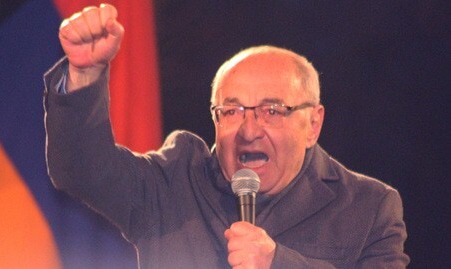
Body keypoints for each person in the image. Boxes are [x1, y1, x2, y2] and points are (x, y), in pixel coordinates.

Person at [43, 4, 409, 268]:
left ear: (313, 124)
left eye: (272, 111)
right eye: (231, 111)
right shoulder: (173, 183)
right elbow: (79, 168)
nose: (249, 130)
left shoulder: (367, 207)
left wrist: (277, 263)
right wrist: (86, 72)